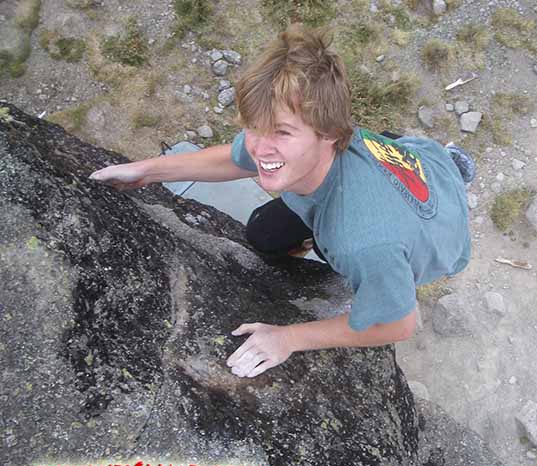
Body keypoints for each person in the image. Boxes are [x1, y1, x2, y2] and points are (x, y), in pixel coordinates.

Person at [89, 25, 474, 379]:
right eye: (254, 127)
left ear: (330, 133)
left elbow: (397, 325)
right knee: (264, 233)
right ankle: (436, 165)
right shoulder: (302, 142)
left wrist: (288, 338)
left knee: (337, 249)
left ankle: (453, 171)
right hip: (396, 167)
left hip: (434, 221)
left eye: (282, 133)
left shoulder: (361, 241)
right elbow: (235, 159)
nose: (260, 148)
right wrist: (146, 171)